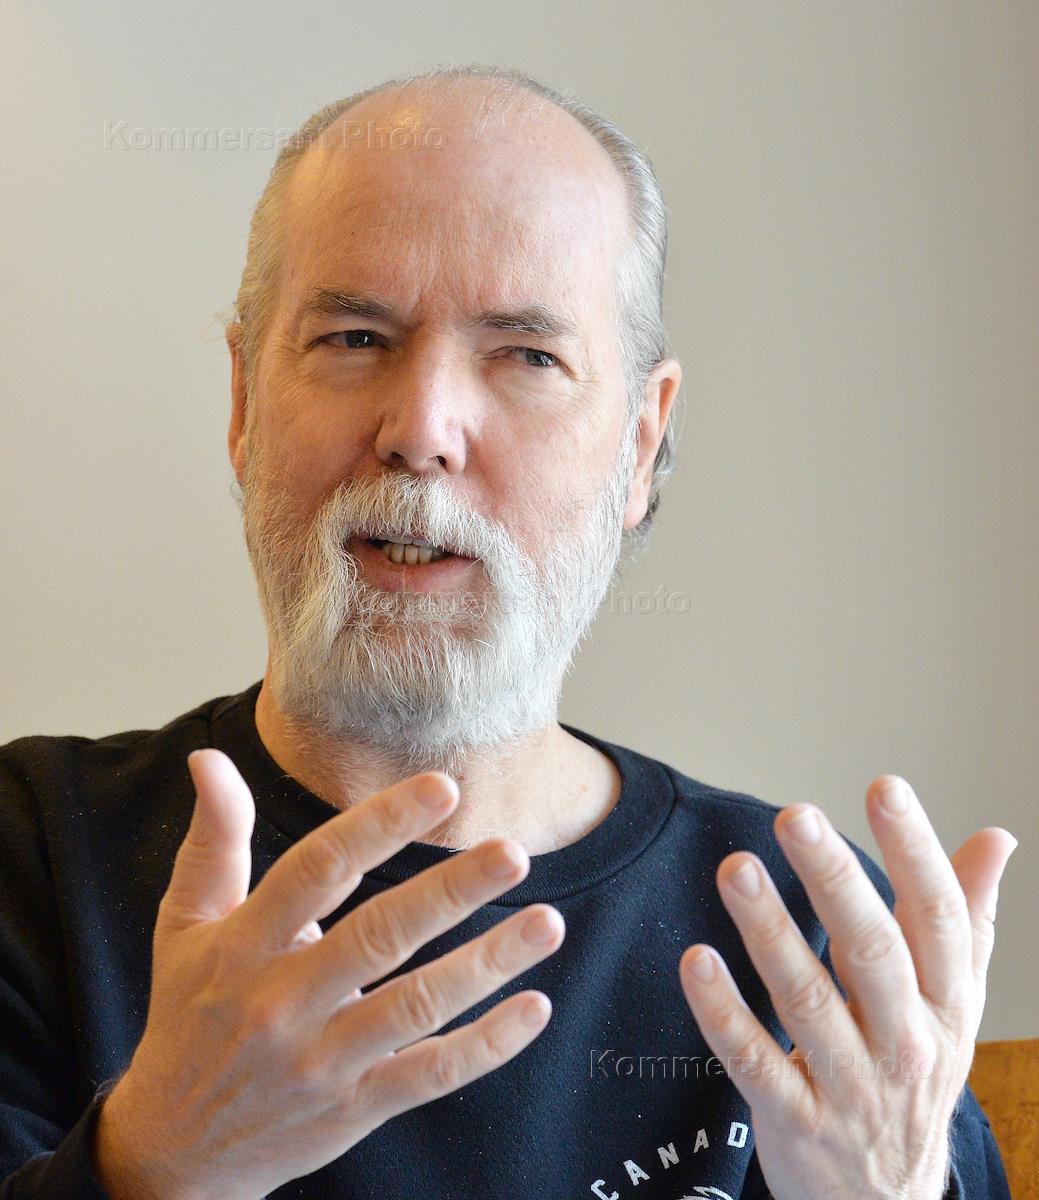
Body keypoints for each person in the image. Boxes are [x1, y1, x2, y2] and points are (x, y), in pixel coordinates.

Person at [0, 65, 1015, 1200]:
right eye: (352, 337)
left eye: (527, 355)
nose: (422, 429)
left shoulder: (809, 939)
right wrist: (150, 1167)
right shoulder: (30, 856)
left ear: (639, 445)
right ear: (243, 403)